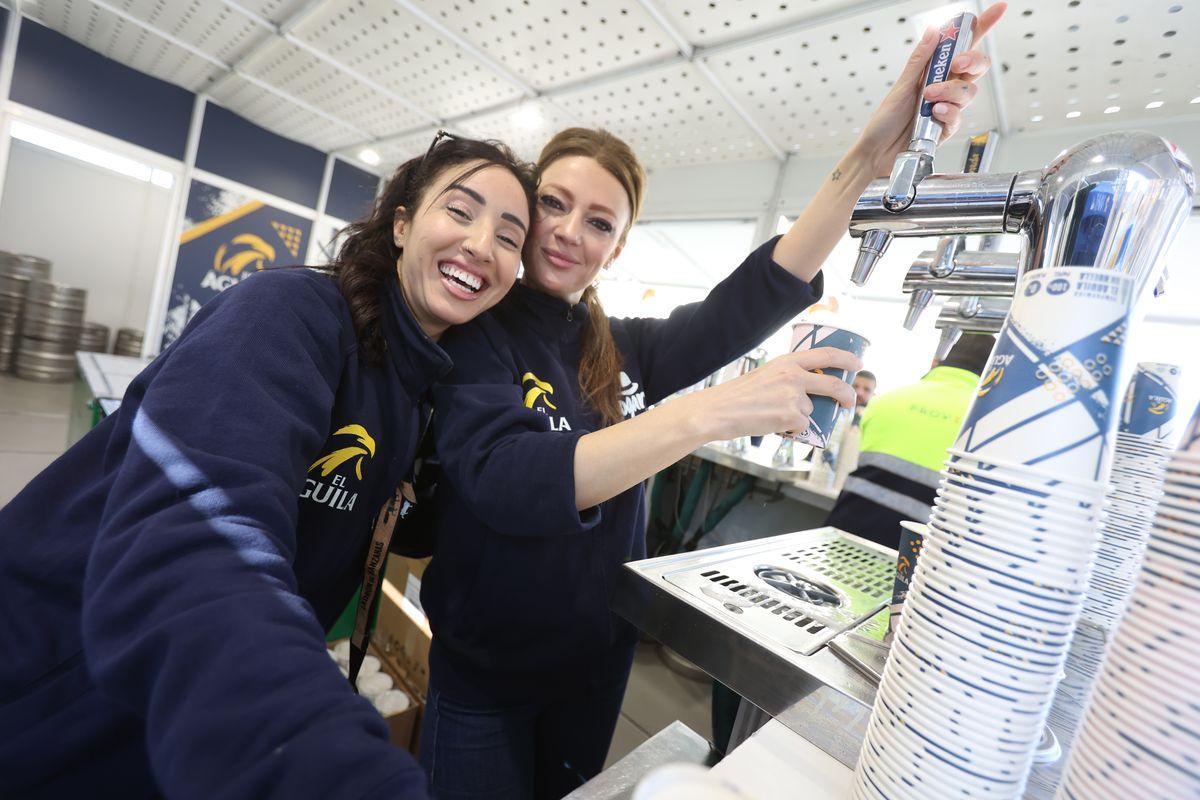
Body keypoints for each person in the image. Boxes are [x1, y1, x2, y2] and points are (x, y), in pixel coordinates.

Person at [415, 8, 1005, 797]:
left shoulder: (625, 348)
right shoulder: (478, 335)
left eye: (598, 222)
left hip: (593, 667)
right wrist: (713, 410)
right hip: (484, 681)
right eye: (551, 205)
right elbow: (510, 478)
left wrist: (874, 150)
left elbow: (760, 290)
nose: (565, 233)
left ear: (618, 246)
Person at [0, 135, 536, 798]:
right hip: (53, 683)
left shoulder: (421, 392)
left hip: (172, 726)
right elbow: (201, 539)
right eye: (460, 211)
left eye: (509, 237)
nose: (483, 245)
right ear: (401, 224)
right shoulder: (286, 315)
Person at [824, 333, 998, 548]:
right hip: (916, 552)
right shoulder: (988, 422)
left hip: (846, 529)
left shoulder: (886, 400)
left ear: (942, 363)